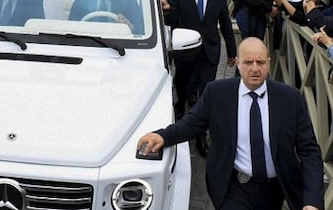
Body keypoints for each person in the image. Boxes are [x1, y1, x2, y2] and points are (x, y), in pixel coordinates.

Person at [137, 38, 323, 210]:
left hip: (276, 188)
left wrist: (312, 200)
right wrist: (163, 135)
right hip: (233, 186)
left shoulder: (290, 98)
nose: (255, 69)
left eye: (260, 62)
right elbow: (192, 124)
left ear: (269, 62)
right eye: (248, 62)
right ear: (238, 63)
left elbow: (309, 150)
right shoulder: (217, 93)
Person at [168, 0, 237, 129]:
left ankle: (200, 131)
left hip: (210, 49)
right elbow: (173, 20)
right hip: (185, 50)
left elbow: (226, 23)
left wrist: (231, 52)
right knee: (182, 84)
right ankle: (181, 103)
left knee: (206, 90)